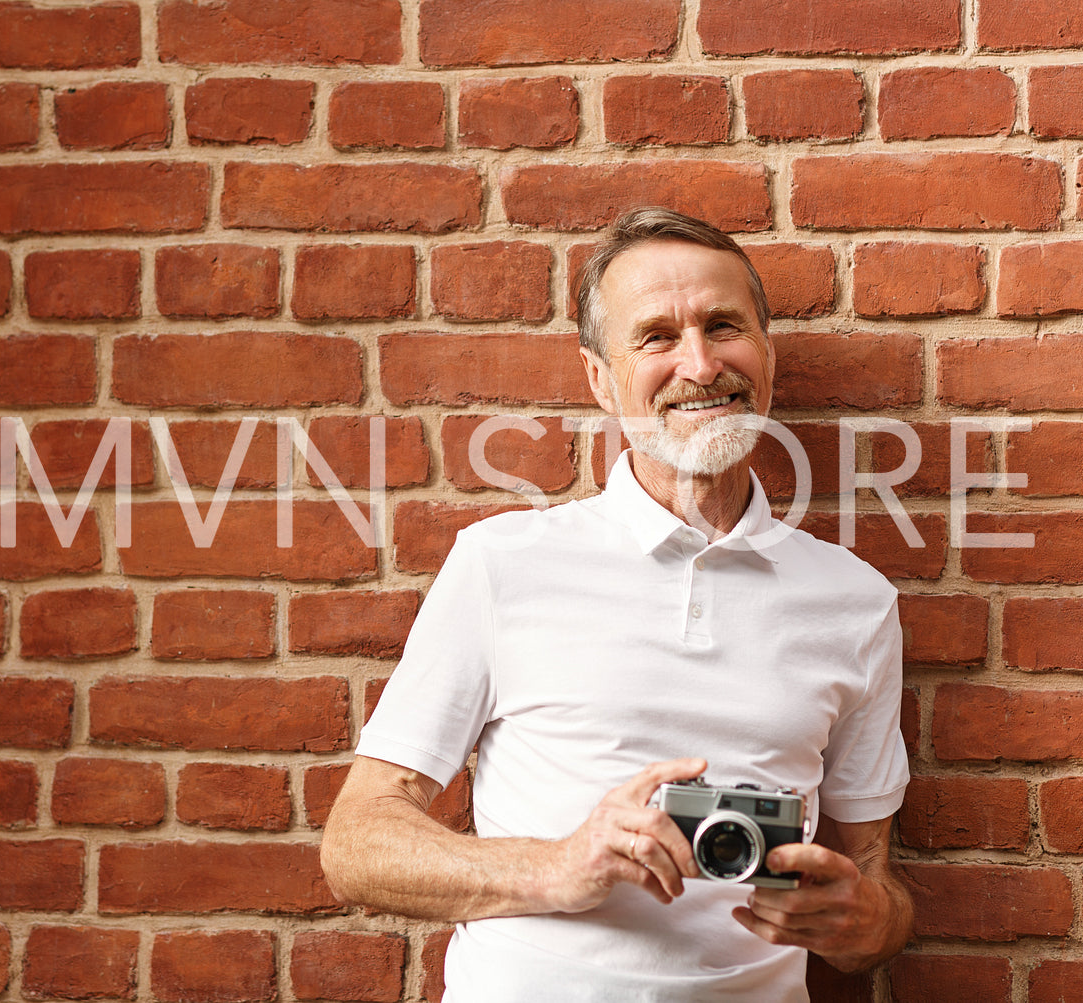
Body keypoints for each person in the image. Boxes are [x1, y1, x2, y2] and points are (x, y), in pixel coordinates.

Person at [320, 207, 913, 1001]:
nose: (700, 364)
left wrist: (867, 922)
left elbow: (877, 883)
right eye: (656, 337)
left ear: (765, 352)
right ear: (599, 379)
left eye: (723, 325)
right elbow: (356, 843)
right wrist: (558, 865)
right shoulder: (502, 564)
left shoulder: (856, 601)